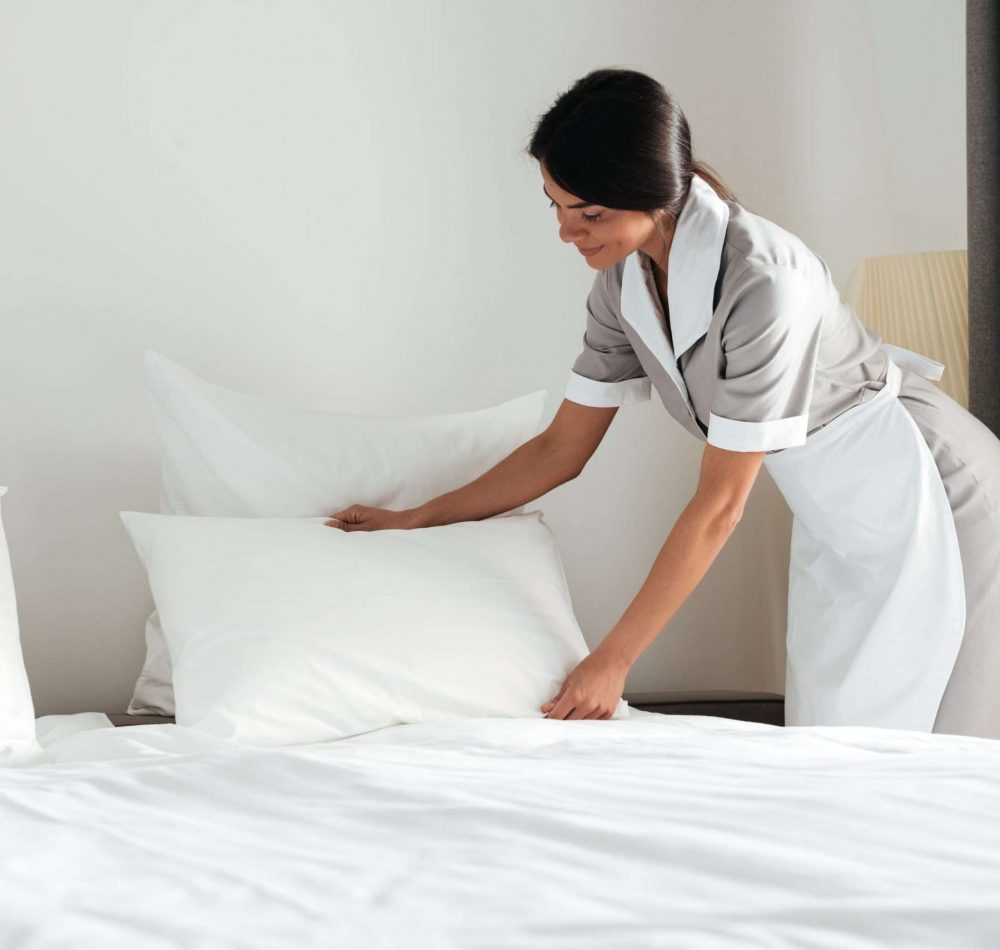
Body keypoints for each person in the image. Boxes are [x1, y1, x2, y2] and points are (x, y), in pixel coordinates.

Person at [326, 68, 1000, 740]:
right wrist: (418, 517)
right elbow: (562, 450)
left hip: (933, 490)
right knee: (843, 737)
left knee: (947, 744)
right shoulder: (624, 283)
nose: (567, 232)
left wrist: (612, 660)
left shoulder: (766, 282)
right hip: (840, 509)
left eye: (590, 214)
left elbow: (719, 507)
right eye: (555, 206)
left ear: (651, 195)